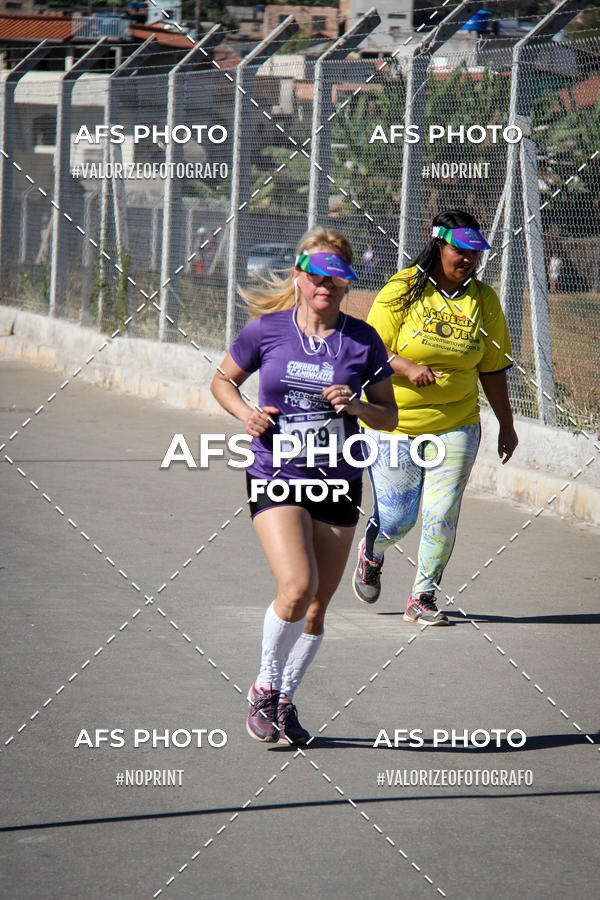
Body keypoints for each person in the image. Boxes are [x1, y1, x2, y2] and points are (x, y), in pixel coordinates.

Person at [211, 227, 397, 745]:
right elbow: (222, 381)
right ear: (299, 277)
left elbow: (389, 412)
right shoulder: (266, 330)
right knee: (297, 586)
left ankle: (286, 700)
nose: (327, 286)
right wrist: (247, 414)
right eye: (318, 275)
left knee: (318, 604)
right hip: (277, 472)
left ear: (346, 286)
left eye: (338, 279)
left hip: (339, 478)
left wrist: (358, 405)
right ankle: (265, 687)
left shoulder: (363, 340)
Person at [353, 210, 518, 625]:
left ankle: (422, 596)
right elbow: (370, 351)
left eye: (475, 253)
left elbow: (493, 368)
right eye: (460, 250)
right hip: (393, 422)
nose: (468, 259)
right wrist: (406, 367)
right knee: (398, 518)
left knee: (441, 512)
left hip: (457, 422)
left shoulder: (484, 301)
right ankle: (372, 550)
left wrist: (506, 422)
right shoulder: (403, 289)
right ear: (438, 246)